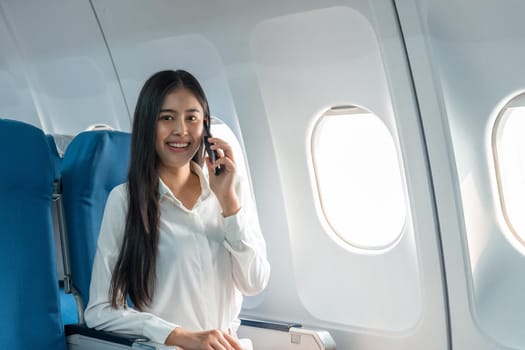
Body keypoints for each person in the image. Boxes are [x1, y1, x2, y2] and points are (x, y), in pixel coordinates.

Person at [84, 70, 271, 350]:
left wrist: (229, 205)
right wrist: (177, 335)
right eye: (167, 117)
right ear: (148, 125)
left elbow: (254, 282)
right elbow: (100, 310)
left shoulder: (231, 190)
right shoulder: (125, 201)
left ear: (205, 126)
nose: (181, 130)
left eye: (191, 118)